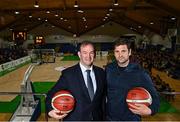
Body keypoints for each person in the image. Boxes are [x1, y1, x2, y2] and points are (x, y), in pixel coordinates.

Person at [46, 41, 106, 121]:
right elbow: (51, 93)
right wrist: (50, 110)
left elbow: (102, 99)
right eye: (84, 53)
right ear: (79, 54)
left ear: (94, 54)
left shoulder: (101, 72)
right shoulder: (68, 74)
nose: (88, 56)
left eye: (91, 53)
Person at [105, 39, 160, 121]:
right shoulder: (109, 69)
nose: (120, 55)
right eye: (117, 51)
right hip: (110, 118)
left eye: (123, 51)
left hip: (131, 119)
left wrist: (150, 110)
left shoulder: (140, 73)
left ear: (129, 52)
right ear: (114, 53)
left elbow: (155, 97)